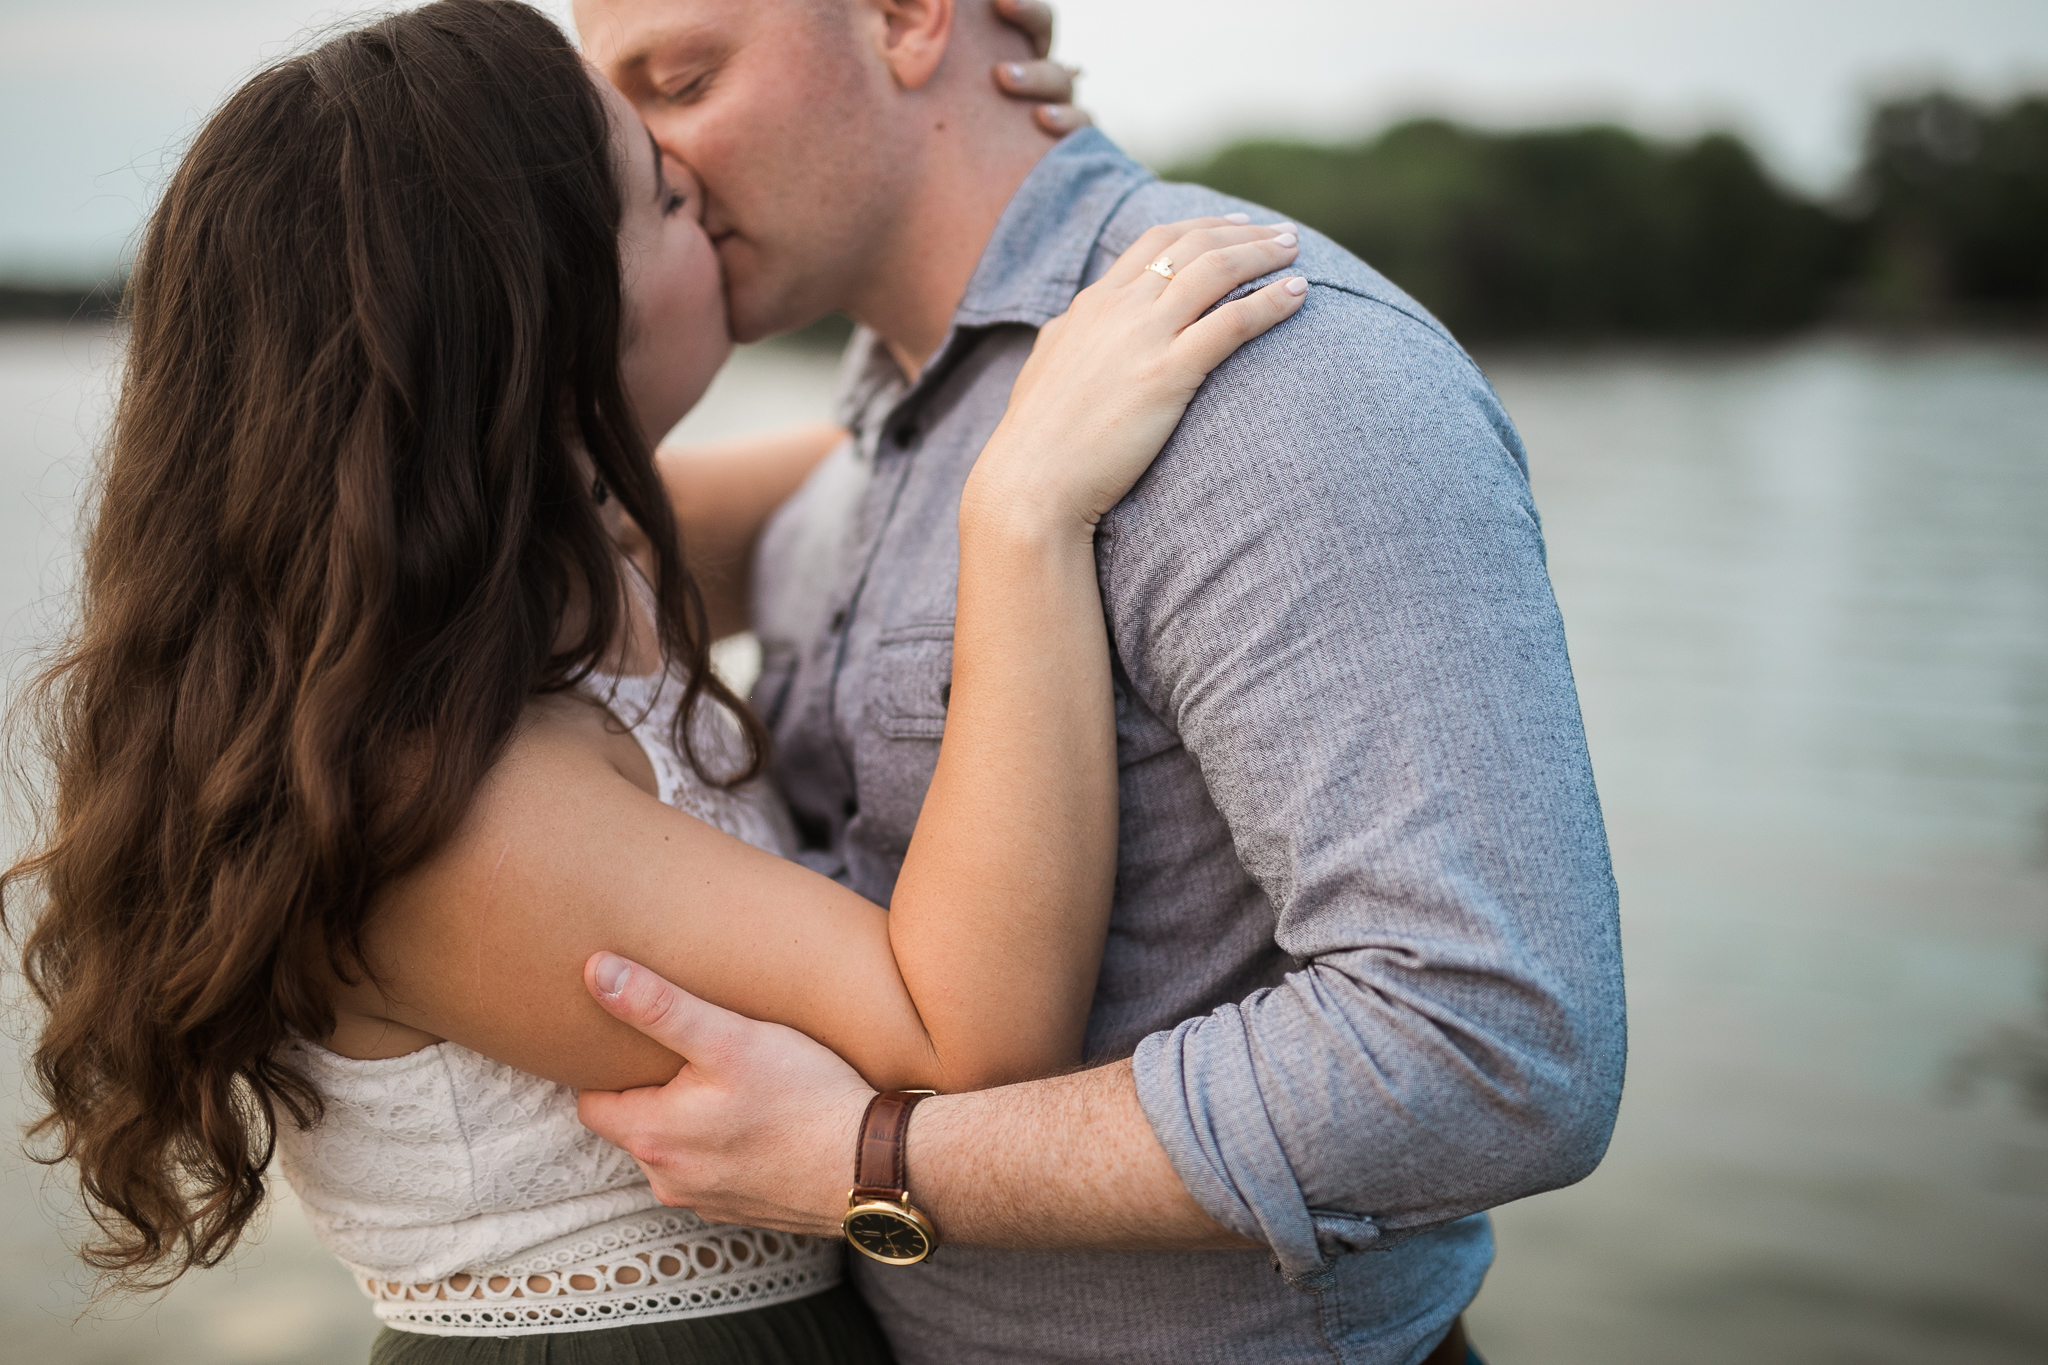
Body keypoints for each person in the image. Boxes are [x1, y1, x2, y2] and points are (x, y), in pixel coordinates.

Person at [2, 2, 1309, 1361]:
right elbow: (964, 1039)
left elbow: (894, 456)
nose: (708, 187)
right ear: (556, 319)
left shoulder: (540, 568)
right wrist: (1027, 514)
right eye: (667, 194)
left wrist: (977, 136)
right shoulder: (451, 803)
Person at [568, 1, 1629, 1362]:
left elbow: (1492, 1050)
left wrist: (878, 1158)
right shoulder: (891, 416)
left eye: (684, 80)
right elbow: (496, 528)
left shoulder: (1269, 367)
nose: (651, 160)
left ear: (902, 18)